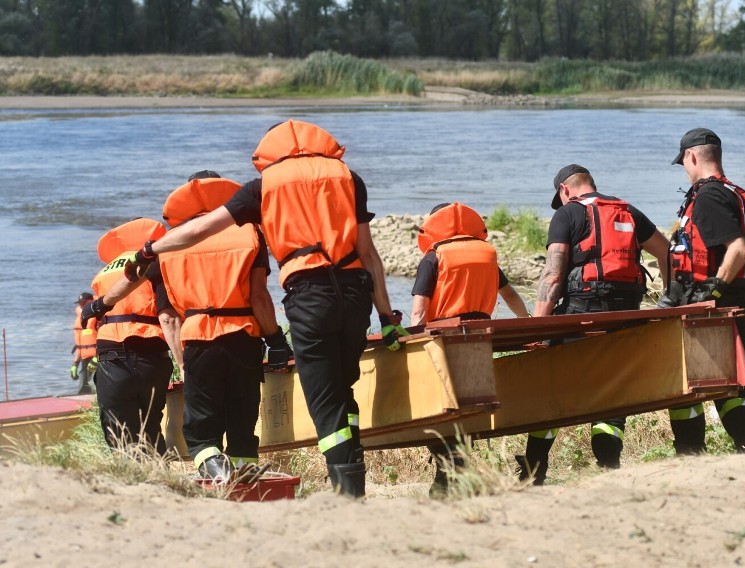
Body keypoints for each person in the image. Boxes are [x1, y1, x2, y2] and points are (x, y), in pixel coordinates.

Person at [94, 121, 405, 498]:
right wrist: (387, 318)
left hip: (289, 304)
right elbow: (367, 255)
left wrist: (148, 251)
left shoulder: (261, 189)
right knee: (336, 392)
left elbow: (173, 299)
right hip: (346, 297)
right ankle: (343, 480)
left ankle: (343, 494)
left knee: (315, 403)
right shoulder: (347, 178)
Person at [84, 172, 285, 480]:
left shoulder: (170, 243)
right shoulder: (250, 232)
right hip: (244, 336)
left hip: (197, 339)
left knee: (201, 430)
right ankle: (246, 480)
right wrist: (275, 338)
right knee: (242, 419)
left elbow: (132, 282)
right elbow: (259, 296)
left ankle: (215, 472)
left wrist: (100, 306)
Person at [517, 164, 670, 484]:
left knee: (551, 391)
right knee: (611, 393)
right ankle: (608, 466)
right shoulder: (627, 211)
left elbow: (554, 274)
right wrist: (666, 301)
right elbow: (666, 253)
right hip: (625, 315)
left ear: (564, 190)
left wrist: (539, 328)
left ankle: (534, 474)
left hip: (579, 313)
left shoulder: (567, 214)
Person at [662, 128, 745, 455]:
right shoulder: (733, 192)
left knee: (684, 381)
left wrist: (713, 289)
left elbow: (739, 249)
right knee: (731, 381)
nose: (685, 168)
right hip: (744, 298)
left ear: (691, 156)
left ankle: (690, 451)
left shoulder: (708, 196)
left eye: (683, 162)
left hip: (716, 303)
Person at [410, 202, 529, 497]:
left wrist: (410, 343)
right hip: (479, 339)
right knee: (467, 410)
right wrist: (526, 323)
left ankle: (448, 474)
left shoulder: (433, 257)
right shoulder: (486, 254)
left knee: (439, 409)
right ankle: (454, 473)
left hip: (443, 340)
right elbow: (510, 294)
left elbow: (418, 311)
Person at [88, 218, 180, 454]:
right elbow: (167, 317)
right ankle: (159, 476)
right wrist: (183, 362)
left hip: (111, 357)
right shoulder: (158, 261)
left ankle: (131, 479)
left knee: (117, 431)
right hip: (150, 354)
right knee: (150, 425)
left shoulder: (104, 272)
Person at [71, 292, 98, 394]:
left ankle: (98, 406)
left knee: (94, 384)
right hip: (84, 359)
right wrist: (75, 364)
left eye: (84, 302)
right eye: (80, 303)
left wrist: (97, 357)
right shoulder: (79, 320)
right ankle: (83, 406)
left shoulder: (98, 318)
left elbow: (106, 340)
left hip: (99, 359)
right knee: (83, 386)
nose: (81, 305)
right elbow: (79, 346)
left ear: (91, 302)